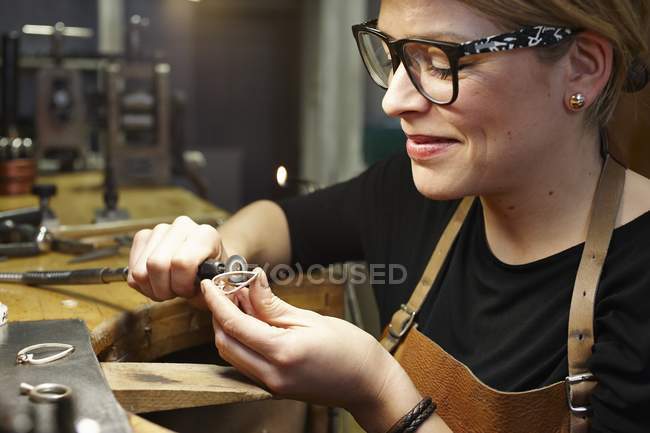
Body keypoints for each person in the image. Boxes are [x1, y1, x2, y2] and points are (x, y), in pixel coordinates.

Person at [127, 0, 650, 431]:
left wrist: (375, 388)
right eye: (394, 56)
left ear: (582, 67)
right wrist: (215, 249)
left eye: (441, 60)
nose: (393, 101)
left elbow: (376, 387)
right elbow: (279, 222)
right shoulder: (411, 191)